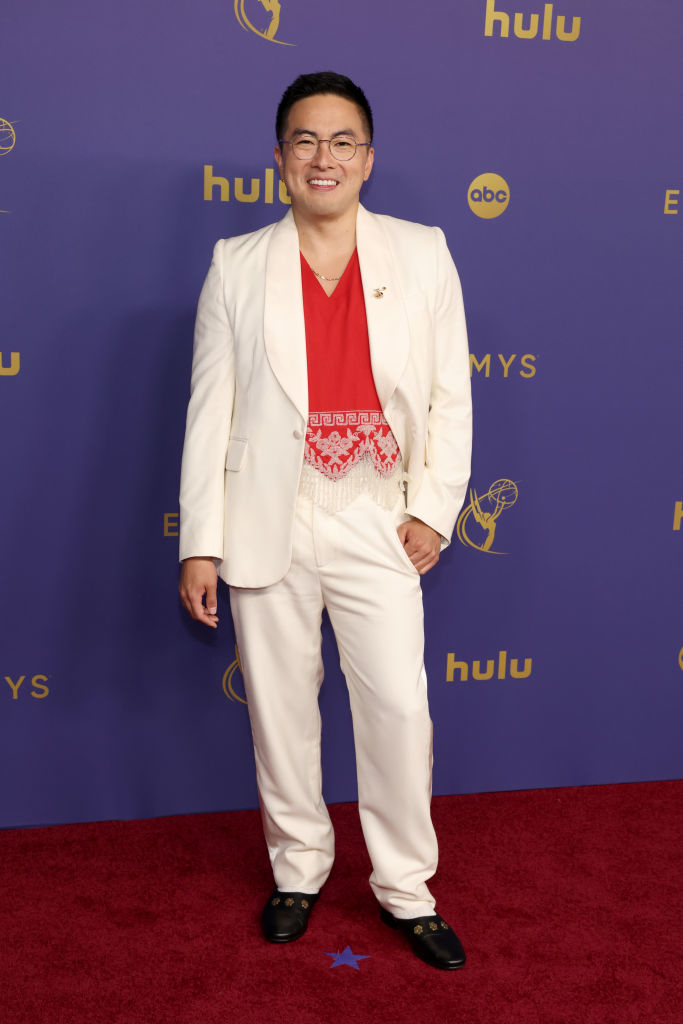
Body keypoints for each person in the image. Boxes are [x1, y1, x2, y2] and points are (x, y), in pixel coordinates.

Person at [178, 71, 472, 970]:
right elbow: (208, 408)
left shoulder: (421, 252)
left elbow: (448, 395)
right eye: (305, 140)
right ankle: (298, 869)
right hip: (268, 512)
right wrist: (201, 541)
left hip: (375, 513)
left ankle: (404, 890)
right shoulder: (236, 262)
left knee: (396, 709)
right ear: (278, 158)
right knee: (279, 712)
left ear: (368, 160)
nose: (323, 157)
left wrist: (432, 508)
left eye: (342, 141)